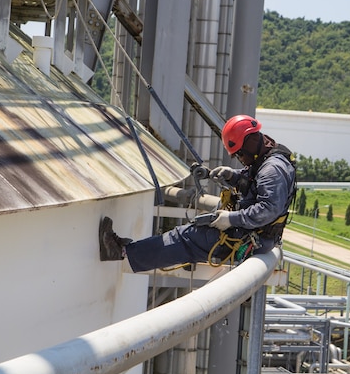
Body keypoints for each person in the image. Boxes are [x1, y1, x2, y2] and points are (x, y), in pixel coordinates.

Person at [99, 114, 296, 272]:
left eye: (240, 154)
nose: (240, 159)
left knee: (186, 237)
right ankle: (134, 250)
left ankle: (122, 251)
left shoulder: (272, 170)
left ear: (252, 142)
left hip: (251, 239)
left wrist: (231, 219)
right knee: (194, 231)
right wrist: (233, 176)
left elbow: (268, 209)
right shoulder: (266, 157)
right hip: (254, 234)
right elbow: (255, 183)